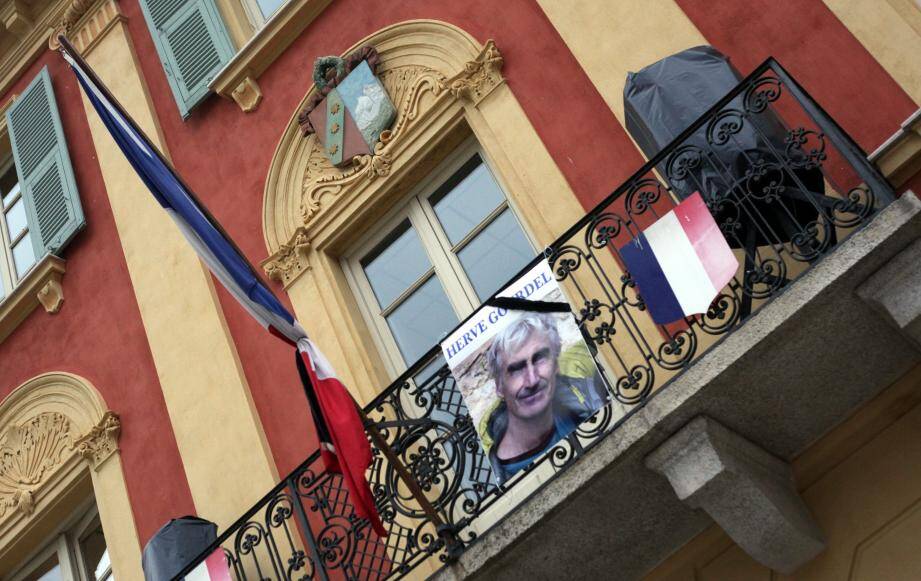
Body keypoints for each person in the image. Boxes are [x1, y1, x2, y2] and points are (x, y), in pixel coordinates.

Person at [483, 312, 605, 484]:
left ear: (555, 364)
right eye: (516, 369)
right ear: (500, 387)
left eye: (540, 359)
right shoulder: (502, 475)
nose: (532, 380)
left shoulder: (590, 396)